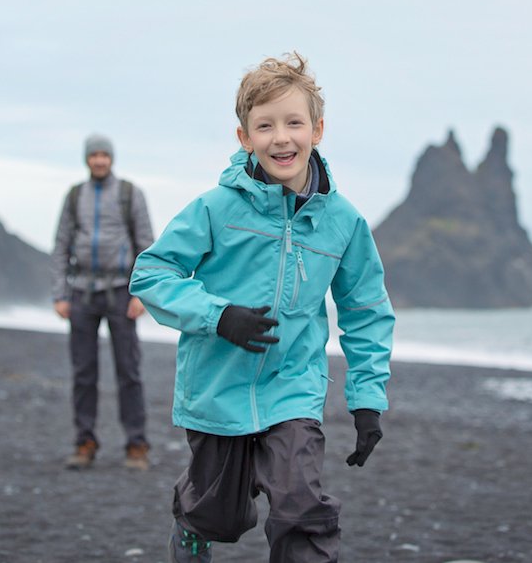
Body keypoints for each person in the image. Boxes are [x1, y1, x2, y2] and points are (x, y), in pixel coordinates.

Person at [130, 53, 394, 562]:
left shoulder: (343, 222)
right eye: (265, 126)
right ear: (243, 137)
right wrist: (218, 316)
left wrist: (368, 398)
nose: (281, 138)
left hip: (293, 386)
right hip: (216, 389)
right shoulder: (216, 208)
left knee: (301, 507)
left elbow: (365, 310)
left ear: (317, 129)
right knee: (217, 516)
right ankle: (191, 529)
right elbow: (151, 274)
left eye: (294, 123)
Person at [51, 134, 155, 471]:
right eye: (94, 155)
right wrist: (59, 294)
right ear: (86, 159)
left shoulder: (128, 194)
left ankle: (136, 445)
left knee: (129, 371)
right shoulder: (74, 196)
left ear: (112, 158)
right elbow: (61, 244)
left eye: (104, 155)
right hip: (81, 292)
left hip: (121, 291)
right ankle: (85, 442)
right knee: (83, 372)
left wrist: (142, 293)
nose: (99, 160)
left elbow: (146, 244)